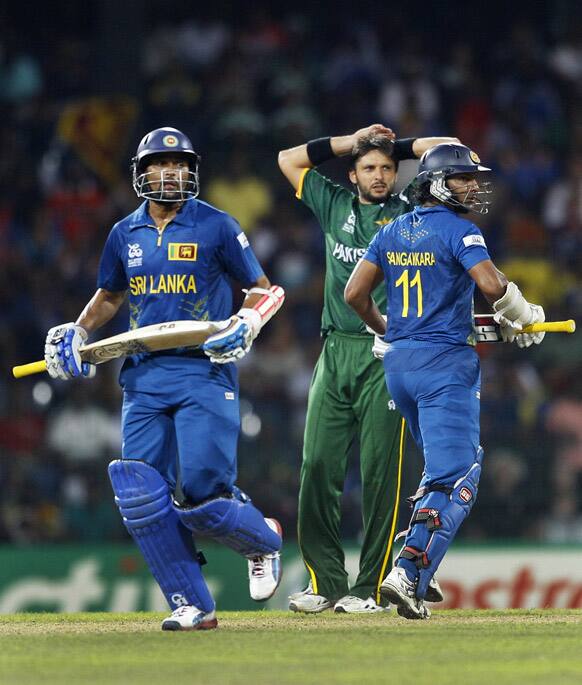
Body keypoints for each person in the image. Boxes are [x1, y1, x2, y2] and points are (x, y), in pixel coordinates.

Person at [44, 126, 286, 631]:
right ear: (141, 173)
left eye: (179, 165)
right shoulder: (123, 233)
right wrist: (78, 329)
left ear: (191, 172)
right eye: (159, 165)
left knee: (201, 500)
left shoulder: (218, 225)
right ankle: (192, 604)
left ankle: (263, 539)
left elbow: (265, 290)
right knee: (139, 492)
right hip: (143, 376)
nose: (170, 173)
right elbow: (111, 295)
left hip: (204, 369)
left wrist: (247, 322)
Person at [344, 143, 545, 619]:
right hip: (445, 368)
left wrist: (389, 330)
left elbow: (355, 294)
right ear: (437, 182)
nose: (473, 186)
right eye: (463, 178)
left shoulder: (391, 229)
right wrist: (522, 312)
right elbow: (492, 286)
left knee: (440, 469)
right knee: (459, 474)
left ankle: (420, 563)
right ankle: (409, 569)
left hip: (399, 366)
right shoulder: (462, 230)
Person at [278, 125, 458, 613]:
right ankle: (324, 581)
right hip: (335, 350)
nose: (380, 176)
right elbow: (288, 159)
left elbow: (458, 153)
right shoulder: (334, 204)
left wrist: (396, 147)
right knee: (317, 466)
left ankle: (373, 587)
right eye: (369, 168)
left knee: (382, 474)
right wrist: (350, 142)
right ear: (353, 175)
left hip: (389, 352)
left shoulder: (412, 213)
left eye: (386, 168)